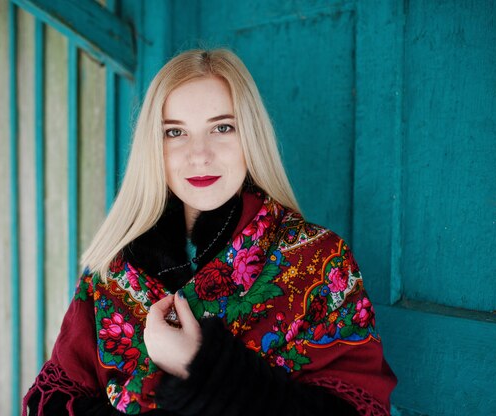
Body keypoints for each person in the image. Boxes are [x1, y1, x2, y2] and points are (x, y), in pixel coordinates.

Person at [23, 48, 397, 416]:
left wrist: (200, 368)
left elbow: (361, 408)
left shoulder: (318, 260)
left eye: (222, 127)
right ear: (154, 146)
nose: (199, 154)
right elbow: (50, 400)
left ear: (250, 136)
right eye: (175, 132)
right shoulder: (111, 269)